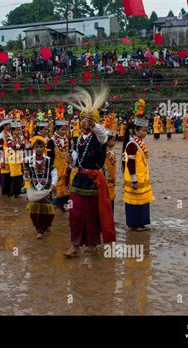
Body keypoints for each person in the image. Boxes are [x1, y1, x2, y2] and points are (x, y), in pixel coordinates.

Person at [63, 88, 116, 257]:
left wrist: (93, 123)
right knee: (75, 213)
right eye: (82, 120)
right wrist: (70, 160)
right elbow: (76, 160)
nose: (84, 123)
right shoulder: (78, 138)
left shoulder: (100, 136)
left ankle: (92, 243)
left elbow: (102, 134)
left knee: (92, 215)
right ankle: (75, 244)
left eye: (88, 120)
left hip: (94, 180)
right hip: (79, 179)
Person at [122, 99, 155, 232]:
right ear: (135, 131)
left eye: (146, 131)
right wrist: (134, 179)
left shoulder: (140, 143)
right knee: (134, 203)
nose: (145, 133)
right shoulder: (131, 145)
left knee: (142, 202)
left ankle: (141, 223)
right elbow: (130, 163)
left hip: (142, 178)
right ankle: (134, 225)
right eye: (142, 131)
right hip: (135, 179)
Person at [24, 136, 57, 239]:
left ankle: (46, 225)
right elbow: (26, 176)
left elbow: (54, 172)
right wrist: (26, 175)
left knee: (48, 211)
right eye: (37, 146)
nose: (39, 149)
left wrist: (54, 183)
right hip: (34, 188)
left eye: (41, 146)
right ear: (34, 148)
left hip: (47, 188)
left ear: (44, 148)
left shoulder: (48, 160)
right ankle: (39, 230)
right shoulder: (29, 160)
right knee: (34, 211)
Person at [47, 118, 70, 211]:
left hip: (65, 167)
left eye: (65, 129)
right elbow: (49, 157)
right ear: (57, 129)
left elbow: (69, 153)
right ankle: (54, 206)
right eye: (62, 129)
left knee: (65, 185)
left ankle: (63, 205)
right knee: (55, 186)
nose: (64, 132)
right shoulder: (51, 141)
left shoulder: (67, 140)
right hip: (55, 168)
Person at [7, 121, 25, 198]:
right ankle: (12, 193)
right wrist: (19, 146)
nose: (18, 131)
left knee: (20, 175)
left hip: (20, 159)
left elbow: (23, 146)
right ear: (13, 130)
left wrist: (19, 145)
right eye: (17, 130)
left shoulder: (22, 138)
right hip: (12, 159)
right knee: (14, 176)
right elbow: (12, 146)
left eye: (19, 130)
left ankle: (17, 192)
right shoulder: (9, 138)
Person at [104, 132, 116, 212]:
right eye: (113, 140)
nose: (114, 142)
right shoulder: (104, 153)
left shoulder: (111, 152)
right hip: (107, 181)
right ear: (107, 141)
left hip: (111, 181)